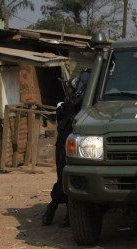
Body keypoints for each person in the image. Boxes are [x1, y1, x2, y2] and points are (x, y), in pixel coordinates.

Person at [42, 69, 91, 227]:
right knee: (66, 177)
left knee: (68, 178)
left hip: (72, 137)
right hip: (69, 137)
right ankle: (56, 209)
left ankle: (60, 211)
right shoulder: (86, 81)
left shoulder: (87, 81)